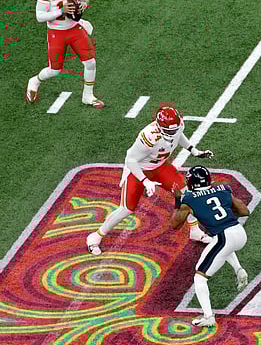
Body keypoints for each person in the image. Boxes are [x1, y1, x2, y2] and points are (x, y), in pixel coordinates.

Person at [86, 106, 215, 255]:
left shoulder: (177, 125)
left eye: (174, 129)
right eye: (169, 131)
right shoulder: (149, 136)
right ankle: (95, 236)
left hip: (161, 167)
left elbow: (178, 135)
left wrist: (194, 151)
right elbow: (130, 160)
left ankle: (195, 230)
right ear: (159, 127)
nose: (172, 133)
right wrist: (145, 180)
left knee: (188, 195)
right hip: (139, 170)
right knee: (126, 209)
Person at [171, 165, 251, 328]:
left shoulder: (188, 199)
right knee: (221, 248)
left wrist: (178, 200)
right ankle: (239, 270)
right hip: (239, 233)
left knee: (199, 277)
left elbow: (175, 225)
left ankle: (208, 317)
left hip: (224, 237)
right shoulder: (223, 189)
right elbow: (244, 211)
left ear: (192, 182)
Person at [25, 0, 103, 108]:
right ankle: (35, 80)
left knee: (90, 62)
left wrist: (82, 6)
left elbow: (85, 1)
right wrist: (61, 11)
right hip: (57, 32)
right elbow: (40, 16)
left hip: (74, 28)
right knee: (55, 70)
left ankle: (88, 95)